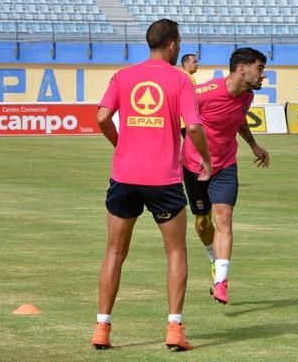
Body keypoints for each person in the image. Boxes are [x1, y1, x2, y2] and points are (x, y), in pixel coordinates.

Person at [91, 19, 212, 352]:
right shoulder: (180, 80)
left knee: (115, 251)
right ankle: (174, 328)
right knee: (175, 251)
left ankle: (102, 327)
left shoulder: (123, 76)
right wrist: (206, 159)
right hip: (164, 180)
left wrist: (120, 144)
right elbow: (194, 127)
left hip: (124, 176)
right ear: (173, 45)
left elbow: (102, 117)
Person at [181, 47, 270, 305]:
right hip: (194, 167)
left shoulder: (247, 96)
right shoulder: (203, 93)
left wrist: (254, 145)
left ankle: (221, 281)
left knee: (225, 217)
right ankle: (212, 257)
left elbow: (240, 121)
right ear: (242, 69)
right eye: (260, 69)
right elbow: (180, 117)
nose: (263, 75)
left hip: (225, 166)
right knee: (202, 221)